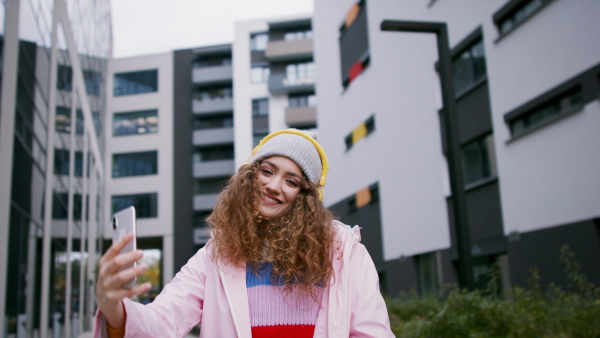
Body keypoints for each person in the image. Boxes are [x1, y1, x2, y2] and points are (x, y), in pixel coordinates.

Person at [94, 129, 394, 338]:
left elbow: (371, 334)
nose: (274, 185)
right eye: (267, 171)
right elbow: (161, 323)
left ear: (305, 198)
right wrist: (114, 308)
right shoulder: (216, 255)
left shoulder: (345, 253)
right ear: (249, 177)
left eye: (291, 181)